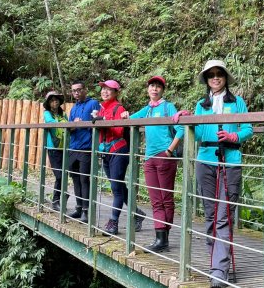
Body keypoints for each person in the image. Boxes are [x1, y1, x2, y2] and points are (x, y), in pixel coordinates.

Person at [189, 60, 252, 288]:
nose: (215, 78)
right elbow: (195, 134)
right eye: (211, 75)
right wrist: (185, 118)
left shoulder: (238, 103)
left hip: (231, 161)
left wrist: (234, 137)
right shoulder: (201, 105)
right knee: (210, 215)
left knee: (224, 216)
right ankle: (217, 263)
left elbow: (248, 129)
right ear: (206, 79)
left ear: (225, 77)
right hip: (205, 160)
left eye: (219, 74)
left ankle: (219, 270)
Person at [121, 76, 183, 252]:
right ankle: (159, 238)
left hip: (165, 157)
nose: (154, 89)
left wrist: (169, 151)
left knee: (166, 198)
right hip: (149, 159)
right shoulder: (147, 109)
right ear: (148, 89)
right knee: (156, 200)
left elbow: (181, 129)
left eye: (158, 86)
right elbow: (130, 120)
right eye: (152, 86)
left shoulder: (167, 107)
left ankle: (164, 236)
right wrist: (124, 114)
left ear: (162, 90)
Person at [95, 80, 146, 235]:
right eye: (103, 89)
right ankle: (137, 214)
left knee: (116, 189)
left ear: (116, 92)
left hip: (118, 150)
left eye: (109, 89)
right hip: (106, 152)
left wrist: (103, 122)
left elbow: (118, 131)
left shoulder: (119, 108)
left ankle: (113, 222)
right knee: (119, 187)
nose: (105, 91)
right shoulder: (101, 109)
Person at [67, 81, 101, 221]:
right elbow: (69, 127)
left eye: (79, 90)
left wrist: (83, 123)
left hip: (87, 147)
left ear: (85, 90)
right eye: (74, 90)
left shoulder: (93, 103)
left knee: (84, 179)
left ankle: (87, 212)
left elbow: (98, 121)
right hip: (73, 146)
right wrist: (73, 125)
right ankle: (79, 207)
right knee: (75, 179)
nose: (76, 92)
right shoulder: (74, 108)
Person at [42, 90, 68, 211]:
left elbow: (68, 125)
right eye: (52, 100)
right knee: (59, 175)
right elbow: (50, 122)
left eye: (56, 99)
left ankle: (59, 198)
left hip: (65, 147)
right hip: (53, 148)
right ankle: (57, 199)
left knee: (64, 174)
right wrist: (63, 123)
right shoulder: (47, 113)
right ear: (48, 103)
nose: (55, 102)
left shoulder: (64, 114)